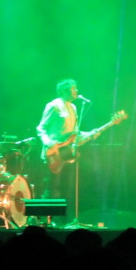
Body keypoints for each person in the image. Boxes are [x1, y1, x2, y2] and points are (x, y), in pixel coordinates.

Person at [36, 79, 90, 218]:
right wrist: (49, 143)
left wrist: (91, 133)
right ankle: (45, 221)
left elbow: (74, 132)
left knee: (66, 189)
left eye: (76, 88)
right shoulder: (53, 106)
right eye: (73, 88)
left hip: (67, 154)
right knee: (51, 189)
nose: (77, 91)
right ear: (64, 91)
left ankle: (63, 221)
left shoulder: (73, 108)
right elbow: (41, 128)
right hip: (53, 154)